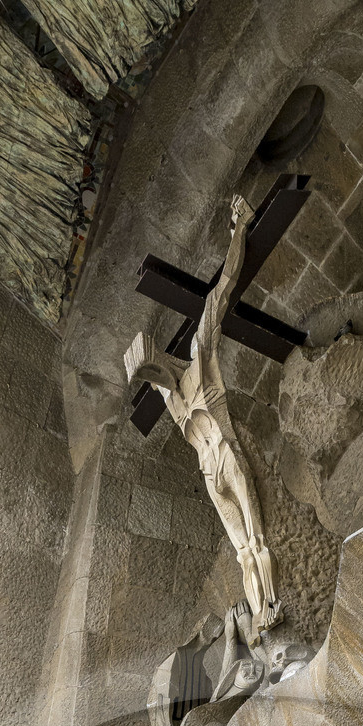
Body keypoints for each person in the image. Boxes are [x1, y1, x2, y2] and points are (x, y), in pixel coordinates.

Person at [125, 195, 280, 636]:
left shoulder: (201, 357)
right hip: (211, 477)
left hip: (229, 458)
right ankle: (261, 618)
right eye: (148, 377)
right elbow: (151, 379)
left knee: (258, 539)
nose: (154, 379)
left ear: (160, 359)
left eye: (152, 370)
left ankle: (273, 605)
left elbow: (222, 289)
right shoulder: (170, 399)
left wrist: (240, 229)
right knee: (242, 551)